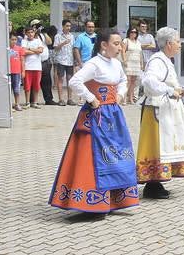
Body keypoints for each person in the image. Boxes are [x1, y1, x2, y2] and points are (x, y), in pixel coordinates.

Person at [49, 30, 137, 219]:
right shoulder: (94, 63)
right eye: (115, 43)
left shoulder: (116, 64)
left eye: (120, 43)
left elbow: (122, 80)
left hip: (113, 114)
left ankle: (114, 200)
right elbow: (74, 81)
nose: (119, 47)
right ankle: (91, 203)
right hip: (96, 116)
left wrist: (120, 95)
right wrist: (91, 97)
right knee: (92, 157)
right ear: (104, 45)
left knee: (117, 153)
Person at [137, 27, 184, 199]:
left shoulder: (165, 60)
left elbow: (165, 83)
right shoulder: (157, 60)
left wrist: (177, 89)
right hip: (157, 111)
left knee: (164, 145)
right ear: (169, 44)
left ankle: (156, 183)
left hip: (163, 111)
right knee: (157, 145)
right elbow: (149, 81)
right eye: (178, 42)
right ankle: (152, 184)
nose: (179, 45)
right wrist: (170, 91)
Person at [53, 20, 76, 106]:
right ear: (63, 26)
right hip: (61, 61)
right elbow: (55, 48)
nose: (68, 28)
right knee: (60, 79)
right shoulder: (58, 36)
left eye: (70, 26)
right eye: (67, 26)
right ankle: (61, 99)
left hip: (70, 61)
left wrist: (75, 60)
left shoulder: (72, 36)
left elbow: (74, 48)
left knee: (70, 80)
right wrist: (63, 43)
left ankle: (70, 98)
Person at [21, 27, 44, 109]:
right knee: (27, 86)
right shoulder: (24, 41)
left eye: (32, 32)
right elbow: (23, 51)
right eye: (29, 32)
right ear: (26, 33)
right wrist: (35, 51)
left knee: (36, 85)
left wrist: (29, 49)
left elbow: (41, 51)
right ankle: (27, 102)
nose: (31, 34)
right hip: (27, 67)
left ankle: (35, 102)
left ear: (34, 33)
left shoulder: (38, 40)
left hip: (37, 67)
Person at [121, 27, 144, 105]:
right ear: (129, 32)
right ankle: (124, 99)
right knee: (127, 81)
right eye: (132, 32)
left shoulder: (138, 42)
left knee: (133, 82)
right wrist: (124, 60)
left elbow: (140, 54)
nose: (133, 33)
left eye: (135, 32)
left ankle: (131, 98)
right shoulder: (126, 40)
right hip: (129, 62)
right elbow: (123, 50)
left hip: (136, 63)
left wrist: (141, 63)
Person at [9, 34, 25, 111]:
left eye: (15, 39)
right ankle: (8, 105)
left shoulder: (19, 49)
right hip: (8, 72)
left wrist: (23, 71)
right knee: (8, 89)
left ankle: (17, 104)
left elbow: (22, 60)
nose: (14, 41)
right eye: (12, 39)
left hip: (17, 72)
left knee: (16, 89)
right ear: (8, 40)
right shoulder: (5, 49)